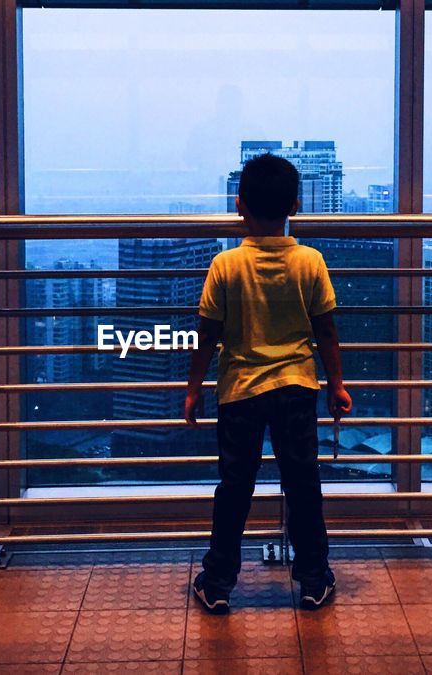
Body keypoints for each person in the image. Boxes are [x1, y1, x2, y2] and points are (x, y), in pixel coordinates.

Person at [183, 153, 353, 614]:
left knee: (235, 487)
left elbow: (207, 333)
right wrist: (336, 385)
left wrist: (195, 387)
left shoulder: (226, 265)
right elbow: (327, 331)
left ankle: (217, 582)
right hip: (297, 387)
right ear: (296, 205)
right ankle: (314, 579)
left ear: (239, 205)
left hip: (239, 393)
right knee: (303, 484)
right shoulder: (311, 262)